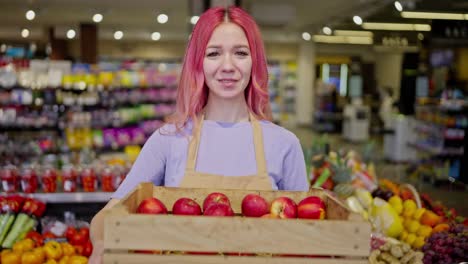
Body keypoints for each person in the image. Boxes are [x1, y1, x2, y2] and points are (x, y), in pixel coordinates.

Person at [89, 6, 308, 263]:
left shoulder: (284, 144)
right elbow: (108, 215)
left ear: (254, 62)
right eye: (213, 53)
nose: (228, 66)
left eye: (240, 53)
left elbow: (307, 231)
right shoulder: (169, 139)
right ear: (198, 63)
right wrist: (102, 244)